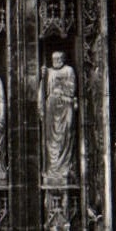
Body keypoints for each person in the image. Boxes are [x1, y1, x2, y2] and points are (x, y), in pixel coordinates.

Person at [38, 50, 77, 183]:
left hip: (65, 106)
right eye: (54, 59)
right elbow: (43, 91)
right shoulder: (48, 72)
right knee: (50, 138)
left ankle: (65, 167)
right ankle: (52, 168)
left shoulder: (69, 70)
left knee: (66, 135)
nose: (56, 61)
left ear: (63, 59)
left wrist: (61, 87)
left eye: (59, 58)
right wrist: (43, 77)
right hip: (51, 108)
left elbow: (72, 89)